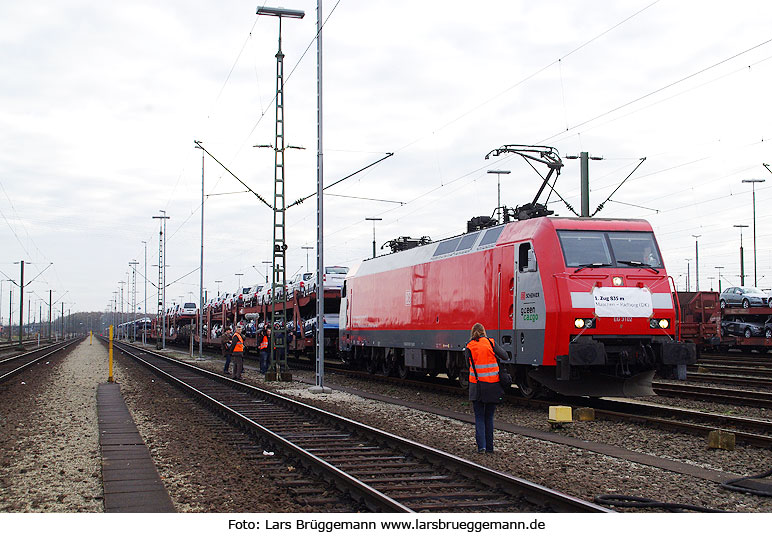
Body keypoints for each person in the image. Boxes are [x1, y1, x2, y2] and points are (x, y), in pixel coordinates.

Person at [464, 323, 510, 454]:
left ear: (472, 333)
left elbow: (468, 365)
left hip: (476, 387)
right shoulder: (491, 343)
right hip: (492, 387)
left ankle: (481, 447)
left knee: (479, 418)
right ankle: (490, 448)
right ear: (484, 332)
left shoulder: (469, 346)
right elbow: (505, 356)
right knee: (489, 417)